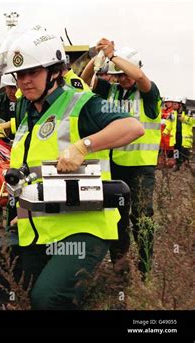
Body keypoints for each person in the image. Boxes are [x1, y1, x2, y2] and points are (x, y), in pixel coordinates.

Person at [0, 28, 144, 309]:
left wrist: (83, 145)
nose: (24, 81)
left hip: (83, 227)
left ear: (54, 71)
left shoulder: (81, 103)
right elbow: (32, 170)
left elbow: (132, 127)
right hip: (40, 226)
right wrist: (24, 211)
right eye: (19, 74)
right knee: (29, 295)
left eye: (32, 72)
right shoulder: (29, 110)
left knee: (48, 298)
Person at [91, 41, 162, 276]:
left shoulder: (149, 95)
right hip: (114, 166)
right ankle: (119, 264)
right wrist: (99, 56)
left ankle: (145, 268)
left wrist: (114, 57)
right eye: (118, 75)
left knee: (142, 217)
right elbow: (84, 79)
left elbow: (139, 76)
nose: (122, 78)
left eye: (124, 74)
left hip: (141, 167)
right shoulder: (109, 92)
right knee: (117, 217)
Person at [163, 96, 193, 170]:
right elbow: (169, 124)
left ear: (180, 104)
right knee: (176, 150)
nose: (173, 105)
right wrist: (165, 132)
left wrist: (185, 119)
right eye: (173, 104)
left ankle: (186, 164)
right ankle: (177, 164)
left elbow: (193, 122)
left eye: (175, 104)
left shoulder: (188, 112)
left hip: (184, 137)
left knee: (184, 151)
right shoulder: (172, 113)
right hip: (175, 136)